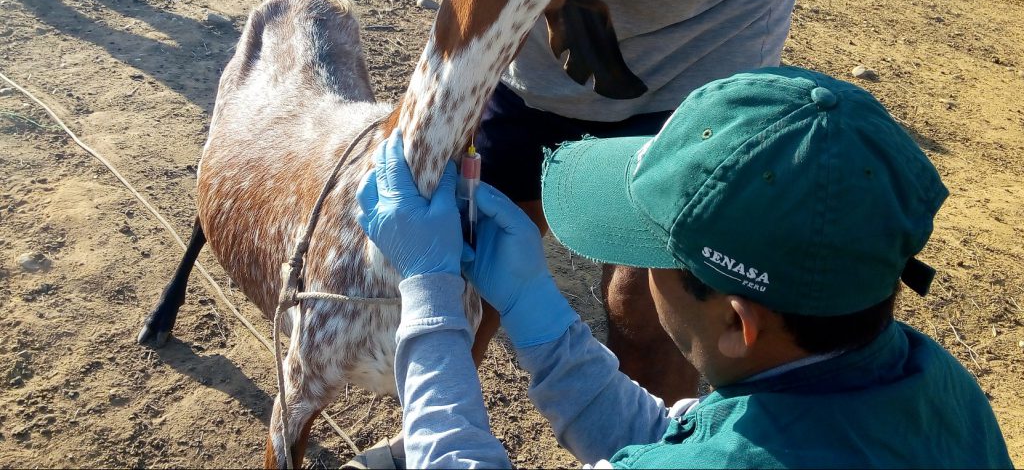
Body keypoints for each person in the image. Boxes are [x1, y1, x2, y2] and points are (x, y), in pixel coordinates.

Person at [432, 0, 904, 401]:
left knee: (647, 308)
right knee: (470, 264)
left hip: (700, 55)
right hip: (522, 44)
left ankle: (657, 441)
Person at [356, 67, 1013, 469]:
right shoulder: (931, 388)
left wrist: (430, 288)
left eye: (649, 250)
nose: (635, 264)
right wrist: (537, 313)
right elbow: (679, 438)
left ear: (737, 322)